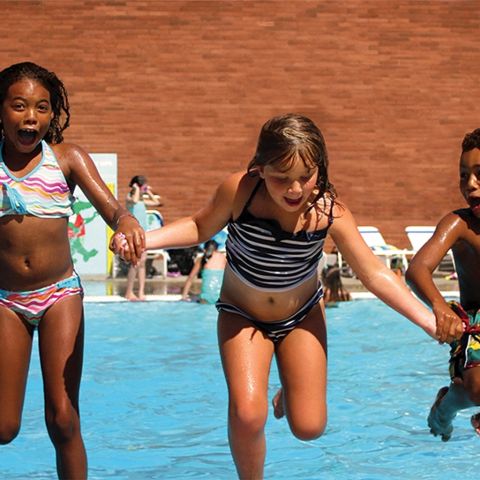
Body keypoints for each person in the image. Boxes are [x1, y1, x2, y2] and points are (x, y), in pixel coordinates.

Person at [113, 113, 436, 479]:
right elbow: (199, 225)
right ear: (260, 168)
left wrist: (427, 320)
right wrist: (142, 240)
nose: (294, 189)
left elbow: (373, 272)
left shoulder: (329, 212)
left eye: (305, 176)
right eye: (281, 178)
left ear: (321, 168)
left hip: (302, 317)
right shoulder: (241, 191)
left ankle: (292, 389)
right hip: (242, 315)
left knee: (309, 427)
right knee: (249, 414)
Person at [0, 62, 145, 480]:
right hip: (6, 301)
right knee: (5, 428)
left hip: (59, 294)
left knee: (62, 418)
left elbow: (113, 208)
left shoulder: (67, 159)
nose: (31, 117)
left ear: (53, 113)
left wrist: (127, 224)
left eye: (42, 108)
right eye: (19, 106)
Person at [406, 128, 480, 441]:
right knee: (477, 389)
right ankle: (445, 408)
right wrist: (439, 306)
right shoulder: (459, 224)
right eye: (464, 176)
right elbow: (417, 269)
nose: (471, 185)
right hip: (476, 324)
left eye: (479, 174)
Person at [124, 175, 161, 300]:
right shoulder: (129, 198)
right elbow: (134, 200)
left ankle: (140, 292)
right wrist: (136, 189)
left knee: (142, 263)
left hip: (144, 234)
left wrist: (148, 191)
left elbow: (157, 202)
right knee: (135, 263)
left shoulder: (142, 201)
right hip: (134, 234)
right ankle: (129, 292)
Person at [181, 239, 227, 303]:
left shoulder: (201, 259)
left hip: (205, 299)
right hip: (220, 298)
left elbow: (190, 278)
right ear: (216, 250)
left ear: (204, 249)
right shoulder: (224, 258)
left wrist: (184, 297)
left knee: (198, 297)